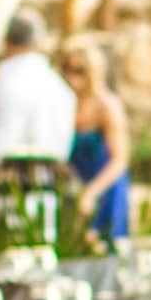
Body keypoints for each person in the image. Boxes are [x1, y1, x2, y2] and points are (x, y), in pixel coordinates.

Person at [0, 9, 74, 169]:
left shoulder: (9, 84)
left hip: (12, 185)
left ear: (5, 42)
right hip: (49, 184)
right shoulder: (60, 87)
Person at [62, 42, 132, 245]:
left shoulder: (107, 107)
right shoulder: (65, 104)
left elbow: (119, 160)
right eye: (66, 68)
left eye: (78, 71)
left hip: (105, 185)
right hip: (74, 185)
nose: (71, 76)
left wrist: (91, 192)